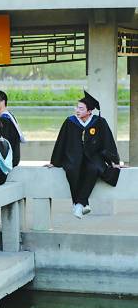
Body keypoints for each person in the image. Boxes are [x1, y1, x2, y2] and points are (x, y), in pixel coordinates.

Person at [46, 91, 121, 219]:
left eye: (81, 108)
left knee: (93, 169)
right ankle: (82, 204)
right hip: (73, 156)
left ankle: (79, 204)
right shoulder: (70, 122)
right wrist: (55, 161)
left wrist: (114, 161)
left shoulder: (99, 122)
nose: (77, 110)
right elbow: (61, 141)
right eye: (77, 107)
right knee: (71, 169)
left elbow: (108, 141)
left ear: (89, 111)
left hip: (94, 156)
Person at [0, 90, 24, 167]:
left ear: (3, 102)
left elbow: (4, 143)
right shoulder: (9, 115)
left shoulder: (4, 119)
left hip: (9, 161)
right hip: (14, 157)